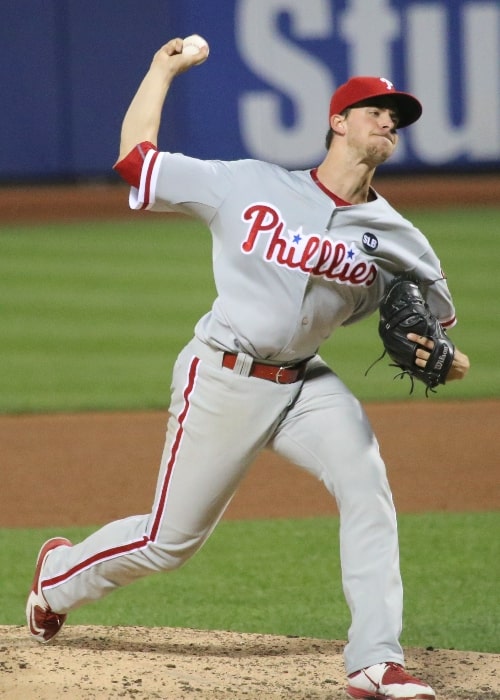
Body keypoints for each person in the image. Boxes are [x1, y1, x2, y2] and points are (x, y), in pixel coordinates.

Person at [27, 38, 470, 699]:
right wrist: (160, 70)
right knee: (169, 542)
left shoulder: (400, 237)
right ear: (338, 122)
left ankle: (375, 660)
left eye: (395, 117)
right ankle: (58, 576)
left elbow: (442, 343)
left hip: (307, 383)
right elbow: (134, 160)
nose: (388, 121)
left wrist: (447, 363)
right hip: (223, 375)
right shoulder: (248, 184)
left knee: (367, 487)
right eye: (374, 109)